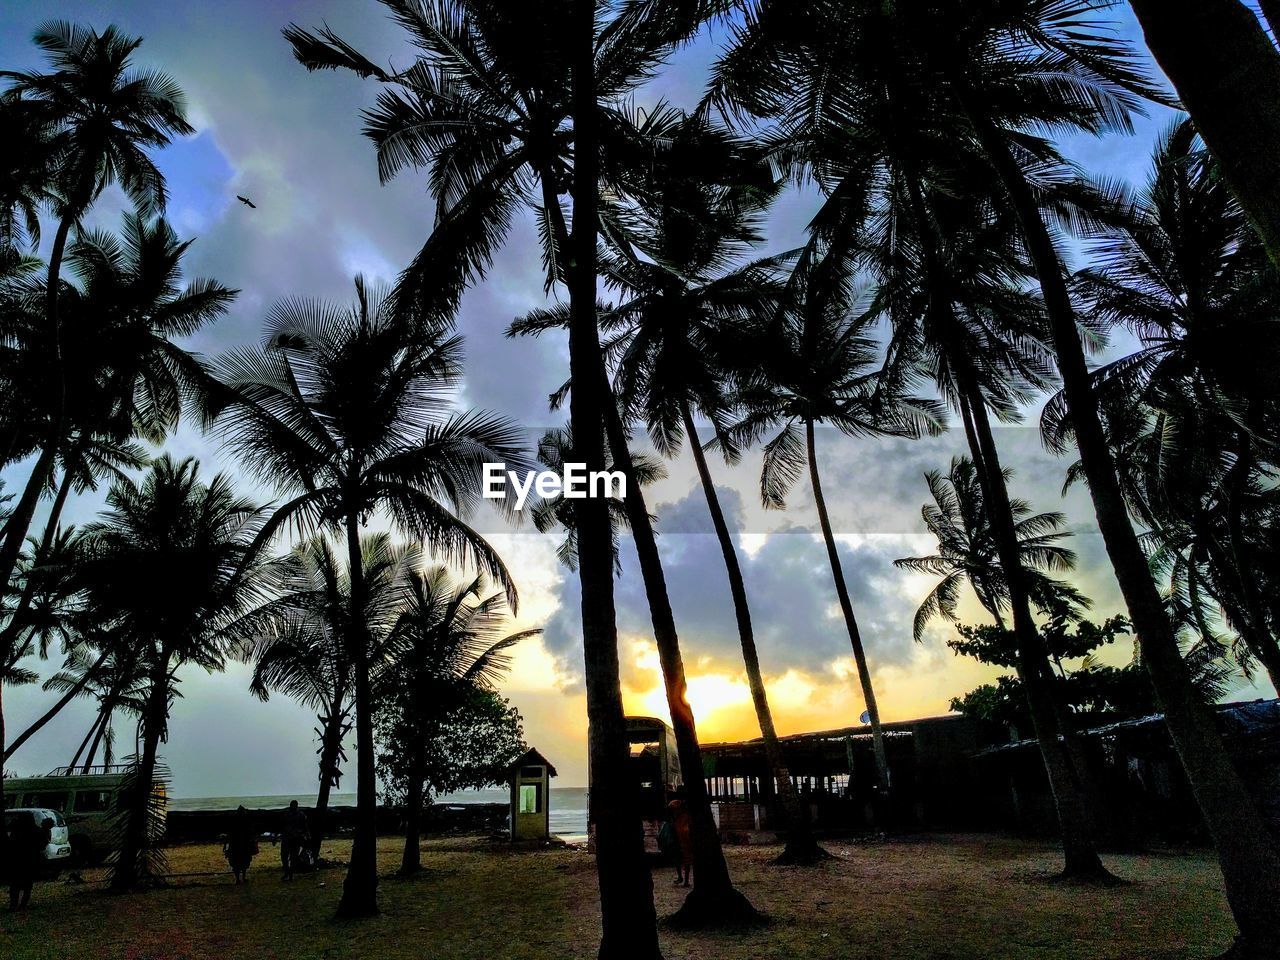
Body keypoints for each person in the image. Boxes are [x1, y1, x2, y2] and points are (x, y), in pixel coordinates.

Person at [6, 812, 48, 911]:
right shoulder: (36, 831)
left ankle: (13, 905)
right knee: (27, 885)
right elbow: (43, 845)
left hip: (17, 861)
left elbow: (10, 844)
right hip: (30, 860)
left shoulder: (16, 830)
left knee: (15, 885)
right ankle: (22, 905)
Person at [223, 806, 258, 884]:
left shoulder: (234, 821)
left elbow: (229, 834)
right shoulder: (246, 821)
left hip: (236, 845)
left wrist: (225, 844)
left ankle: (238, 879)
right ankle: (242, 878)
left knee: (237, 863)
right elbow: (251, 832)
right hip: (243, 845)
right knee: (243, 862)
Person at [666, 789, 694, 888]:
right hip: (678, 841)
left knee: (686, 861)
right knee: (678, 860)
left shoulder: (684, 817)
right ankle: (681, 877)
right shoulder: (676, 818)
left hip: (684, 842)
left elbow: (685, 830)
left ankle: (685, 880)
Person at [280, 800, 309, 880]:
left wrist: (305, 836)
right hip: (288, 838)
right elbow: (281, 826)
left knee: (292, 857)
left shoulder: (300, 815)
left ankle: (290, 874)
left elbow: (305, 827)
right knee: (285, 856)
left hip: (295, 838)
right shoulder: (287, 814)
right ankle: (287, 873)